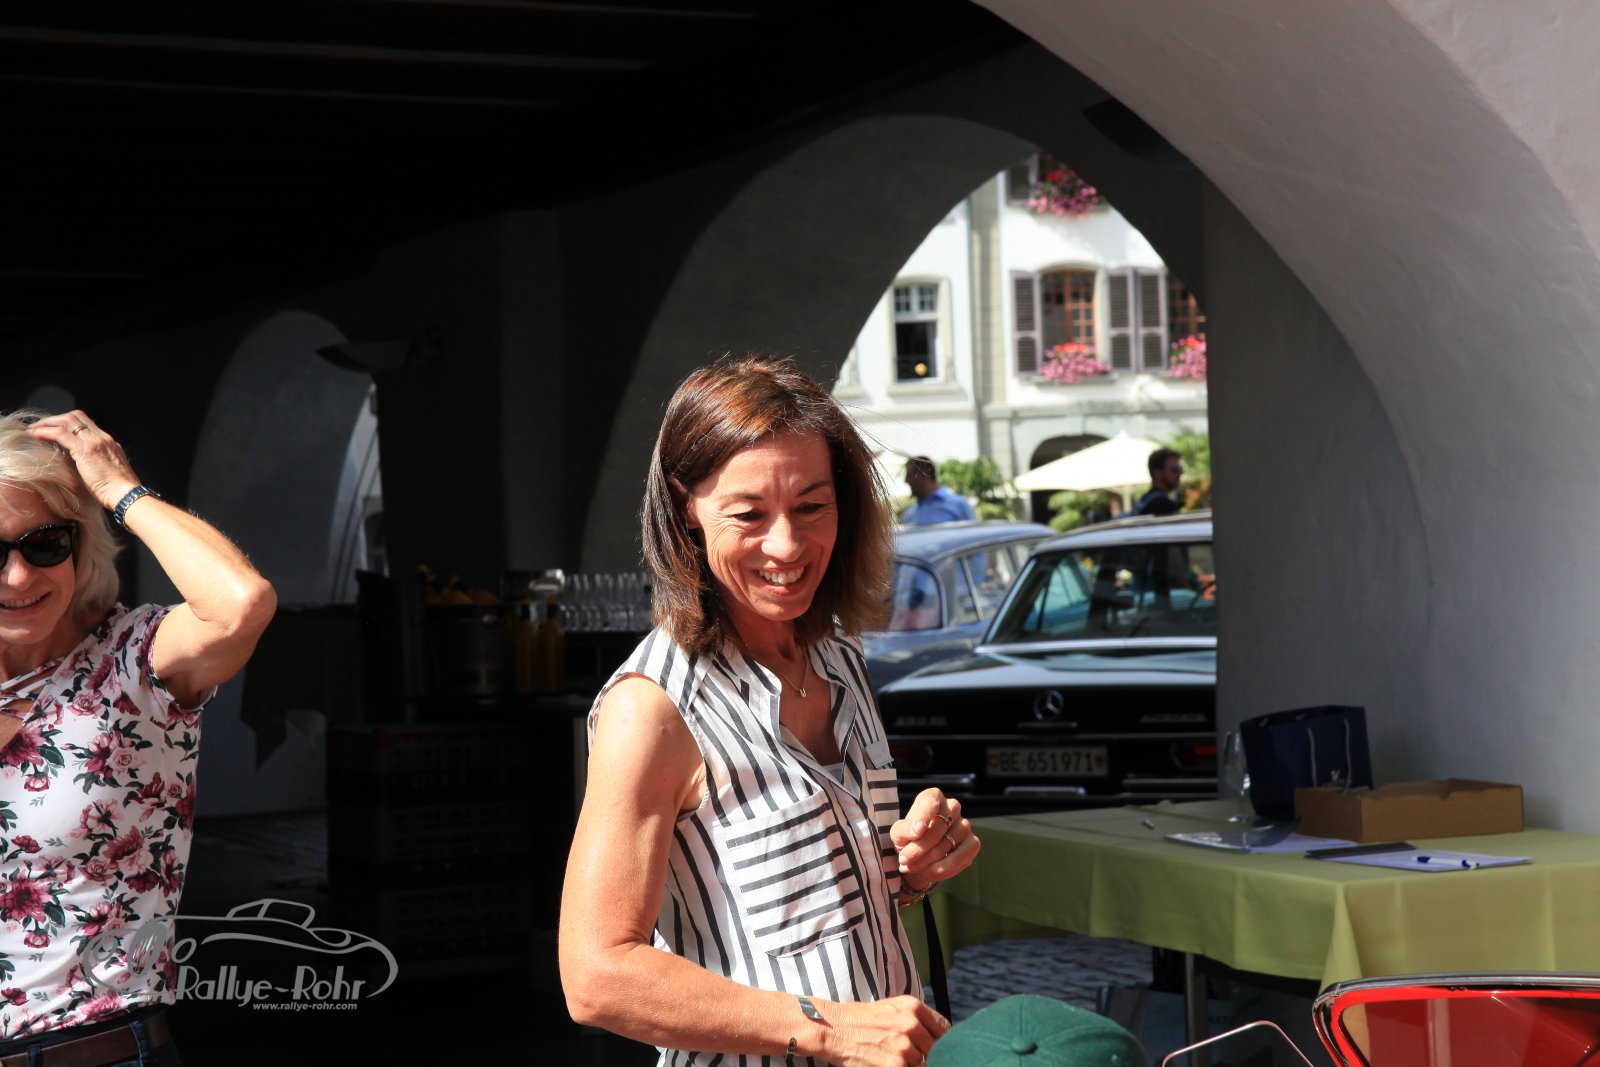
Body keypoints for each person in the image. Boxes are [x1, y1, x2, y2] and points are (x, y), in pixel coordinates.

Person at [560, 355, 979, 1067]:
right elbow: (596, 976)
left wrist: (909, 864)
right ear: (685, 512)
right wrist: (831, 1028)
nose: (787, 545)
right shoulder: (653, 710)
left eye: (812, 507)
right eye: (749, 514)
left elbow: (814, 909)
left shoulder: (838, 656)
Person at [0, 410, 275, 1064]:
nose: (18, 577)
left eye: (44, 543)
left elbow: (240, 604)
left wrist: (120, 489)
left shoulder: (133, 658)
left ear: (80, 543)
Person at [899, 456, 974, 526]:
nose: (906, 481)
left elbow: (972, 534)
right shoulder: (908, 515)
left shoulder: (959, 505)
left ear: (924, 473)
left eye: (909, 476)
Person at [1132, 447, 1184, 517]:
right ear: (1157, 473)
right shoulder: (1163, 505)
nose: (1180, 473)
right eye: (1174, 470)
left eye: (1180, 469)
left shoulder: (1146, 500)